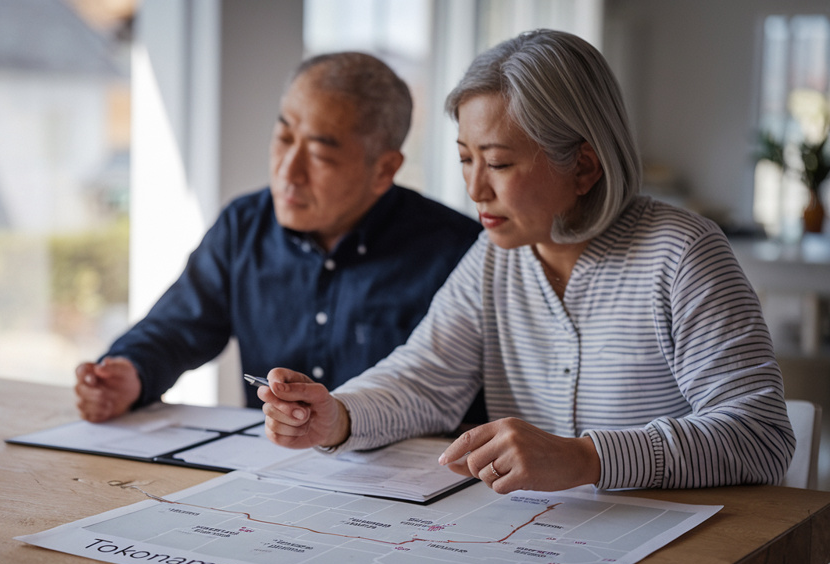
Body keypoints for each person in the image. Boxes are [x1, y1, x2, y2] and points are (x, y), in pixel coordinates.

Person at [258, 29, 796, 494]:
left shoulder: (681, 254)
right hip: (543, 544)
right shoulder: (494, 257)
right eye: (465, 158)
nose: (474, 189)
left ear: (584, 167)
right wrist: (338, 416)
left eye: (497, 162)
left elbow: (760, 437)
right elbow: (422, 380)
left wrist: (587, 458)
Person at [74, 52, 482, 422]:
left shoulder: (459, 253)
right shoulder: (245, 225)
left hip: (407, 488)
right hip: (271, 472)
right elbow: (178, 326)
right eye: (284, 137)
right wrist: (129, 372)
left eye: (320, 155)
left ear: (383, 169)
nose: (289, 171)